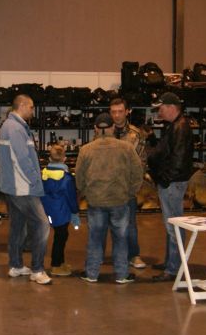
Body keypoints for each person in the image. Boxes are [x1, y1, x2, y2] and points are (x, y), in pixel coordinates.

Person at [76, 113, 143, 284]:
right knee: (121, 238)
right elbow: (138, 174)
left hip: (96, 201)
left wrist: (88, 193)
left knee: (95, 238)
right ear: (113, 127)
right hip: (120, 200)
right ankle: (122, 274)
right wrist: (129, 193)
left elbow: (79, 179)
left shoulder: (86, 150)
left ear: (95, 129)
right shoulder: (126, 148)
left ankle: (91, 273)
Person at [0, 94, 51, 285]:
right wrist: (35, 180)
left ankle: (16, 265)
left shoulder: (10, 126)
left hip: (13, 187)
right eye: (31, 107)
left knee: (18, 227)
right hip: (23, 187)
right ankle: (37, 269)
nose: (32, 111)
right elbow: (21, 159)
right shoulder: (15, 128)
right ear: (22, 105)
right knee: (43, 224)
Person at [147, 92, 194, 282]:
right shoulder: (175, 126)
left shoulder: (180, 128)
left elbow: (179, 159)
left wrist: (165, 179)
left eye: (161, 108)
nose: (159, 112)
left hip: (172, 183)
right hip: (171, 182)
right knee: (171, 225)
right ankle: (170, 262)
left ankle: (173, 269)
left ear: (171, 107)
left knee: (174, 226)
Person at [108, 97, 149, 269]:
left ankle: (134, 255)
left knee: (130, 223)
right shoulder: (103, 132)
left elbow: (141, 163)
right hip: (107, 187)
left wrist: (133, 186)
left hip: (127, 187)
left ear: (127, 112)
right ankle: (114, 255)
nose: (117, 115)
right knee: (107, 223)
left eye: (120, 111)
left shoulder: (136, 135)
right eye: (113, 112)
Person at [40, 145, 80, 276]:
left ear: (49, 158)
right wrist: (75, 211)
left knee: (60, 235)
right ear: (64, 159)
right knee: (61, 238)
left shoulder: (44, 174)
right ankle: (56, 265)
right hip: (62, 211)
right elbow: (71, 197)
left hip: (49, 210)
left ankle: (61, 262)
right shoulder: (66, 178)